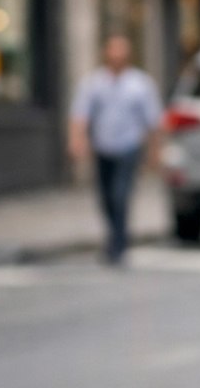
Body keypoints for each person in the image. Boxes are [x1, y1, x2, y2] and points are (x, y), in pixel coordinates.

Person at [69, 35, 162, 264]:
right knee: (106, 197)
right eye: (113, 51)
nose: (116, 56)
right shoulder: (93, 83)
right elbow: (80, 114)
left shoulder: (140, 84)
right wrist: (77, 140)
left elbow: (153, 122)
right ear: (106, 53)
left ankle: (119, 244)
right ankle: (114, 237)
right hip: (103, 147)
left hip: (129, 147)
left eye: (121, 52)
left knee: (120, 195)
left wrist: (154, 152)